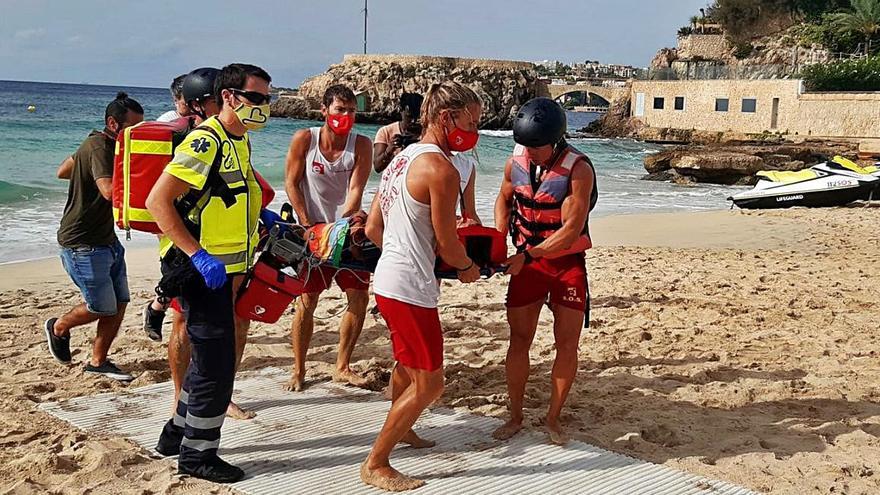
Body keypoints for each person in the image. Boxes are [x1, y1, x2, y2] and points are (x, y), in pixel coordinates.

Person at [146, 63, 272, 483]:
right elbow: (157, 201)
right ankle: (198, 456)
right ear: (231, 97)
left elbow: (232, 197)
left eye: (268, 99)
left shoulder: (239, 141)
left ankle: (174, 435)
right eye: (257, 98)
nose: (264, 107)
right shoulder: (207, 141)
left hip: (226, 270)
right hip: (201, 271)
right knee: (217, 367)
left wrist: (265, 219)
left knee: (206, 362)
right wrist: (198, 254)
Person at [361, 81, 482, 491]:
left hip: (388, 277)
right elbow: (448, 244)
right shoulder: (441, 168)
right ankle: (376, 463)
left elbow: (375, 227)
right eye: (472, 121)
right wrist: (467, 267)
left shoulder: (401, 157)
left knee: (405, 365)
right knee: (430, 383)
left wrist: (404, 249)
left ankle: (404, 430)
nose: (475, 130)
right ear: (447, 118)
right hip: (411, 287)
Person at [492, 97, 597, 446]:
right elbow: (504, 199)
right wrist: (498, 238)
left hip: (564, 264)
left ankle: (553, 418)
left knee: (566, 344)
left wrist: (531, 255)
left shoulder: (579, 168)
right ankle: (516, 415)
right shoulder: (515, 163)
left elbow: (571, 229)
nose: (530, 151)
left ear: (556, 139)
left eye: (537, 145)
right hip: (527, 262)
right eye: (525, 144)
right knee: (519, 339)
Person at [44, 92, 144, 381]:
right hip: (82, 243)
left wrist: (85, 173)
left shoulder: (99, 145)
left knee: (120, 302)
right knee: (101, 307)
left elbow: (63, 171)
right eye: (132, 129)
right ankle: (59, 327)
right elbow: (109, 192)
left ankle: (98, 362)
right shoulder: (100, 145)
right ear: (113, 123)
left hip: (106, 240)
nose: (135, 135)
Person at [283, 84, 373, 392]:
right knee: (307, 300)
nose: (346, 116)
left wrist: (342, 226)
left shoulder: (361, 144)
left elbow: (356, 190)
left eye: (351, 111)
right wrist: (308, 224)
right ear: (324, 110)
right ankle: (298, 368)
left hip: (346, 232)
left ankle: (342, 366)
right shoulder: (305, 140)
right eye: (339, 110)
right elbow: (292, 183)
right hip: (312, 232)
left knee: (358, 297)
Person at [372, 92, 424, 173]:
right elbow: (377, 167)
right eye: (409, 116)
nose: (413, 121)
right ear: (401, 110)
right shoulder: (385, 132)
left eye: (417, 117)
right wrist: (389, 150)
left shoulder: (427, 134)